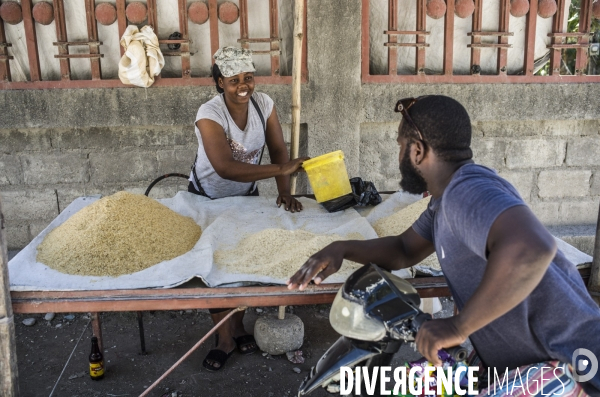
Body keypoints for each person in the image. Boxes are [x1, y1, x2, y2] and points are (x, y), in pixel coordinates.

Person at [287, 95, 600, 395]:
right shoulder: (444, 202)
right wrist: (342, 248)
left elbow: (530, 248)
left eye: (400, 147)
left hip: (568, 369)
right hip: (513, 364)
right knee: (404, 385)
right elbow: (405, 249)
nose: (399, 158)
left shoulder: (466, 190)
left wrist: (459, 326)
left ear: (418, 151)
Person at [189, 46, 308, 371]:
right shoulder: (209, 113)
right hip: (208, 198)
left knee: (240, 262)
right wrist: (282, 171)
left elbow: (278, 148)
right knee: (215, 267)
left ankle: (238, 327)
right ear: (219, 82)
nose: (243, 86)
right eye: (233, 80)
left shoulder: (264, 104)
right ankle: (223, 338)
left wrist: (284, 191)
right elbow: (225, 167)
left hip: (245, 197)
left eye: (248, 78)